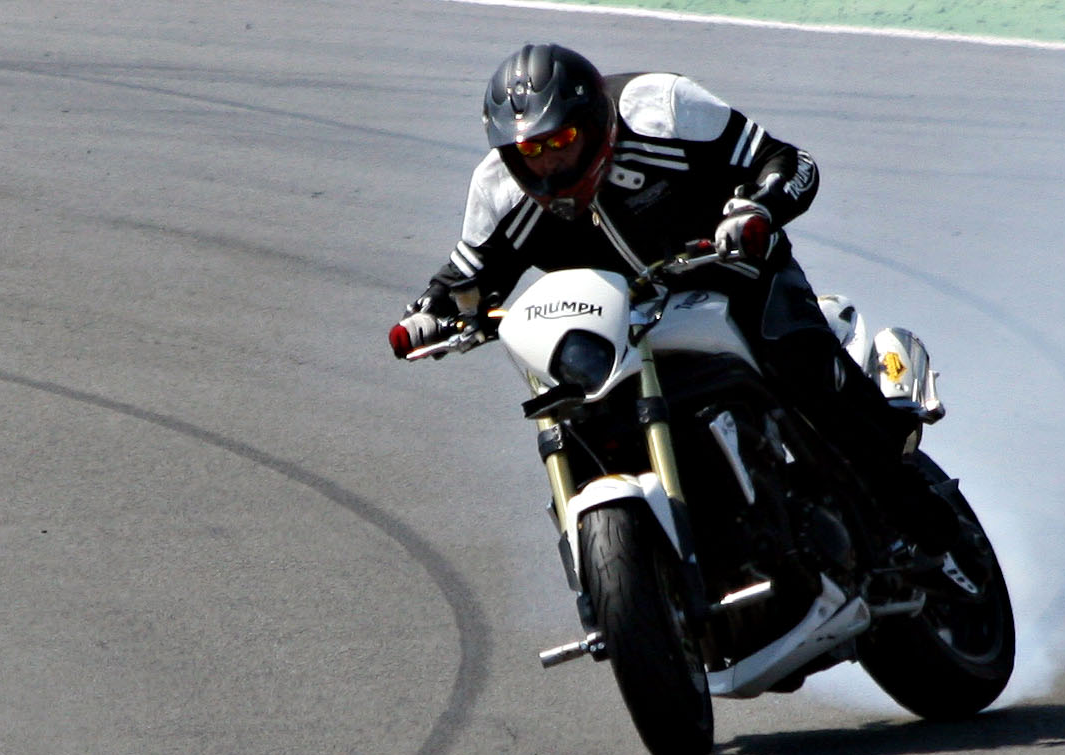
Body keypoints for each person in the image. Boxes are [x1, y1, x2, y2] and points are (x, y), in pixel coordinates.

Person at [388, 44, 956, 553]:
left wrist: (755, 209)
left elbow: (789, 162)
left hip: (732, 281)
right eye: (530, 150)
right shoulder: (499, 188)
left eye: (560, 140)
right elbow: (467, 278)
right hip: (623, 330)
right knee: (586, 424)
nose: (547, 161)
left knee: (806, 374)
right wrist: (429, 316)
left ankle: (918, 522)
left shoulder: (660, 108)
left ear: (591, 120)